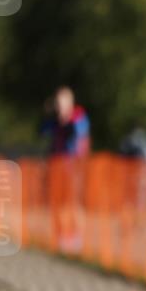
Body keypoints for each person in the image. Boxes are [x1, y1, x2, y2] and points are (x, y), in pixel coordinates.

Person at [40, 86, 90, 252]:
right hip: (56, 168)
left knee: (73, 204)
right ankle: (60, 237)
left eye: (61, 102)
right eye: (57, 103)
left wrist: (65, 120)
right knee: (57, 204)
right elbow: (43, 131)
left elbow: (78, 133)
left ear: (70, 103)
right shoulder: (54, 122)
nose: (59, 106)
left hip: (73, 169)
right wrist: (48, 114)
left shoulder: (79, 118)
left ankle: (76, 239)